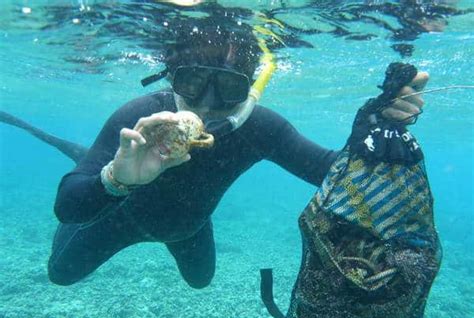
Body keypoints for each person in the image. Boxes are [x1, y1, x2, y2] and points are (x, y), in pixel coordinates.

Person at [48, 21, 428, 288]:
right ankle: (94, 162)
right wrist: (115, 179)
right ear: (172, 77)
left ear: (248, 88)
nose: (208, 106)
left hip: (188, 227)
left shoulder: (260, 127)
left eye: (229, 88)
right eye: (193, 82)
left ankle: (96, 164)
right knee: (60, 274)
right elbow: (69, 208)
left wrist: (373, 133)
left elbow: (333, 172)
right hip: (116, 219)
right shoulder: (139, 119)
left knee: (201, 281)